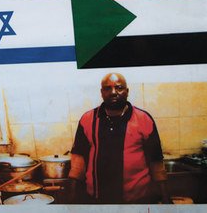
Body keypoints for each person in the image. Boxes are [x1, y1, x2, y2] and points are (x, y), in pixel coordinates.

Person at [68, 73, 172, 204]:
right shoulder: (87, 119)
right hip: (98, 200)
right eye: (107, 88)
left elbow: (156, 162)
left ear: (127, 91)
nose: (113, 92)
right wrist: (71, 200)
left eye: (119, 88)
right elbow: (78, 161)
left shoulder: (143, 119)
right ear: (101, 92)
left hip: (137, 200)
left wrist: (166, 199)